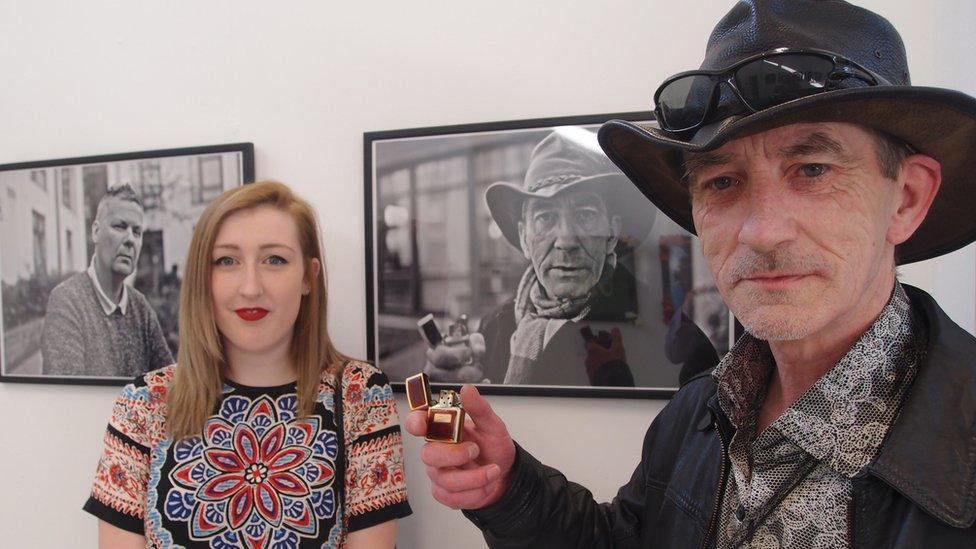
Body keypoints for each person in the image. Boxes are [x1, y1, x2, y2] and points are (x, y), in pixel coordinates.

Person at [407, 1, 976, 547]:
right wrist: (511, 489)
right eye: (723, 182)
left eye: (811, 169)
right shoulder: (702, 411)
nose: (761, 230)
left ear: (906, 198)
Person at [84, 182, 411, 548]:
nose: (251, 287)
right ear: (202, 278)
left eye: (275, 260)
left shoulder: (360, 396)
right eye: (227, 261)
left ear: (308, 276)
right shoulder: (144, 404)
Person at [425, 128, 719, 388]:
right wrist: (451, 393)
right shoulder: (494, 327)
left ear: (612, 235)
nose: (566, 241)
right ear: (525, 237)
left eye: (585, 216)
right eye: (545, 219)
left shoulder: (674, 343)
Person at [41, 183, 173, 377]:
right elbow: (67, 395)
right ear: (95, 232)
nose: (130, 240)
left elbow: (170, 384)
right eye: (120, 226)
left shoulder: (141, 308)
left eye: (137, 232)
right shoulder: (66, 301)